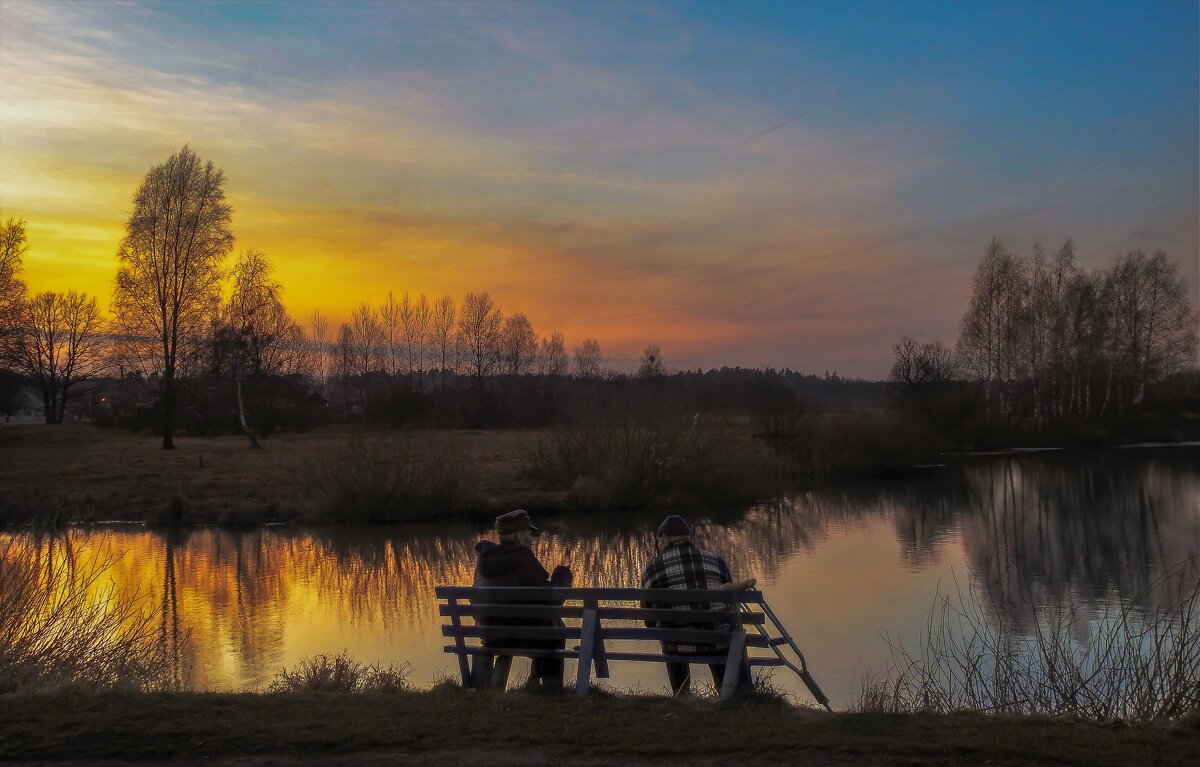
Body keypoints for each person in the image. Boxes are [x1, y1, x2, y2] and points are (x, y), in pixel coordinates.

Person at [640, 514, 751, 696]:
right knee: (720, 633)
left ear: (664, 538)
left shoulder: (653, 568)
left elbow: (649, 619)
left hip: (677, 645)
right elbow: (730, 603)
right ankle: (726, 691)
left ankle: (681, 694)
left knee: (669, 635)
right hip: (718, 642)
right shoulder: (716, 561)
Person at [473, 509, 573, 689]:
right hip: (525, 636)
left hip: (491, 636)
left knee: (547, 622)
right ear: (520, 536)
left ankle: (534, 681)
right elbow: (553, 600)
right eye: (529, 533)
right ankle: (551, 685)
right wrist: (563, 576)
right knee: (556, 626)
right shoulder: (525, 560)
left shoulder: (483, 563)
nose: (532, 538)